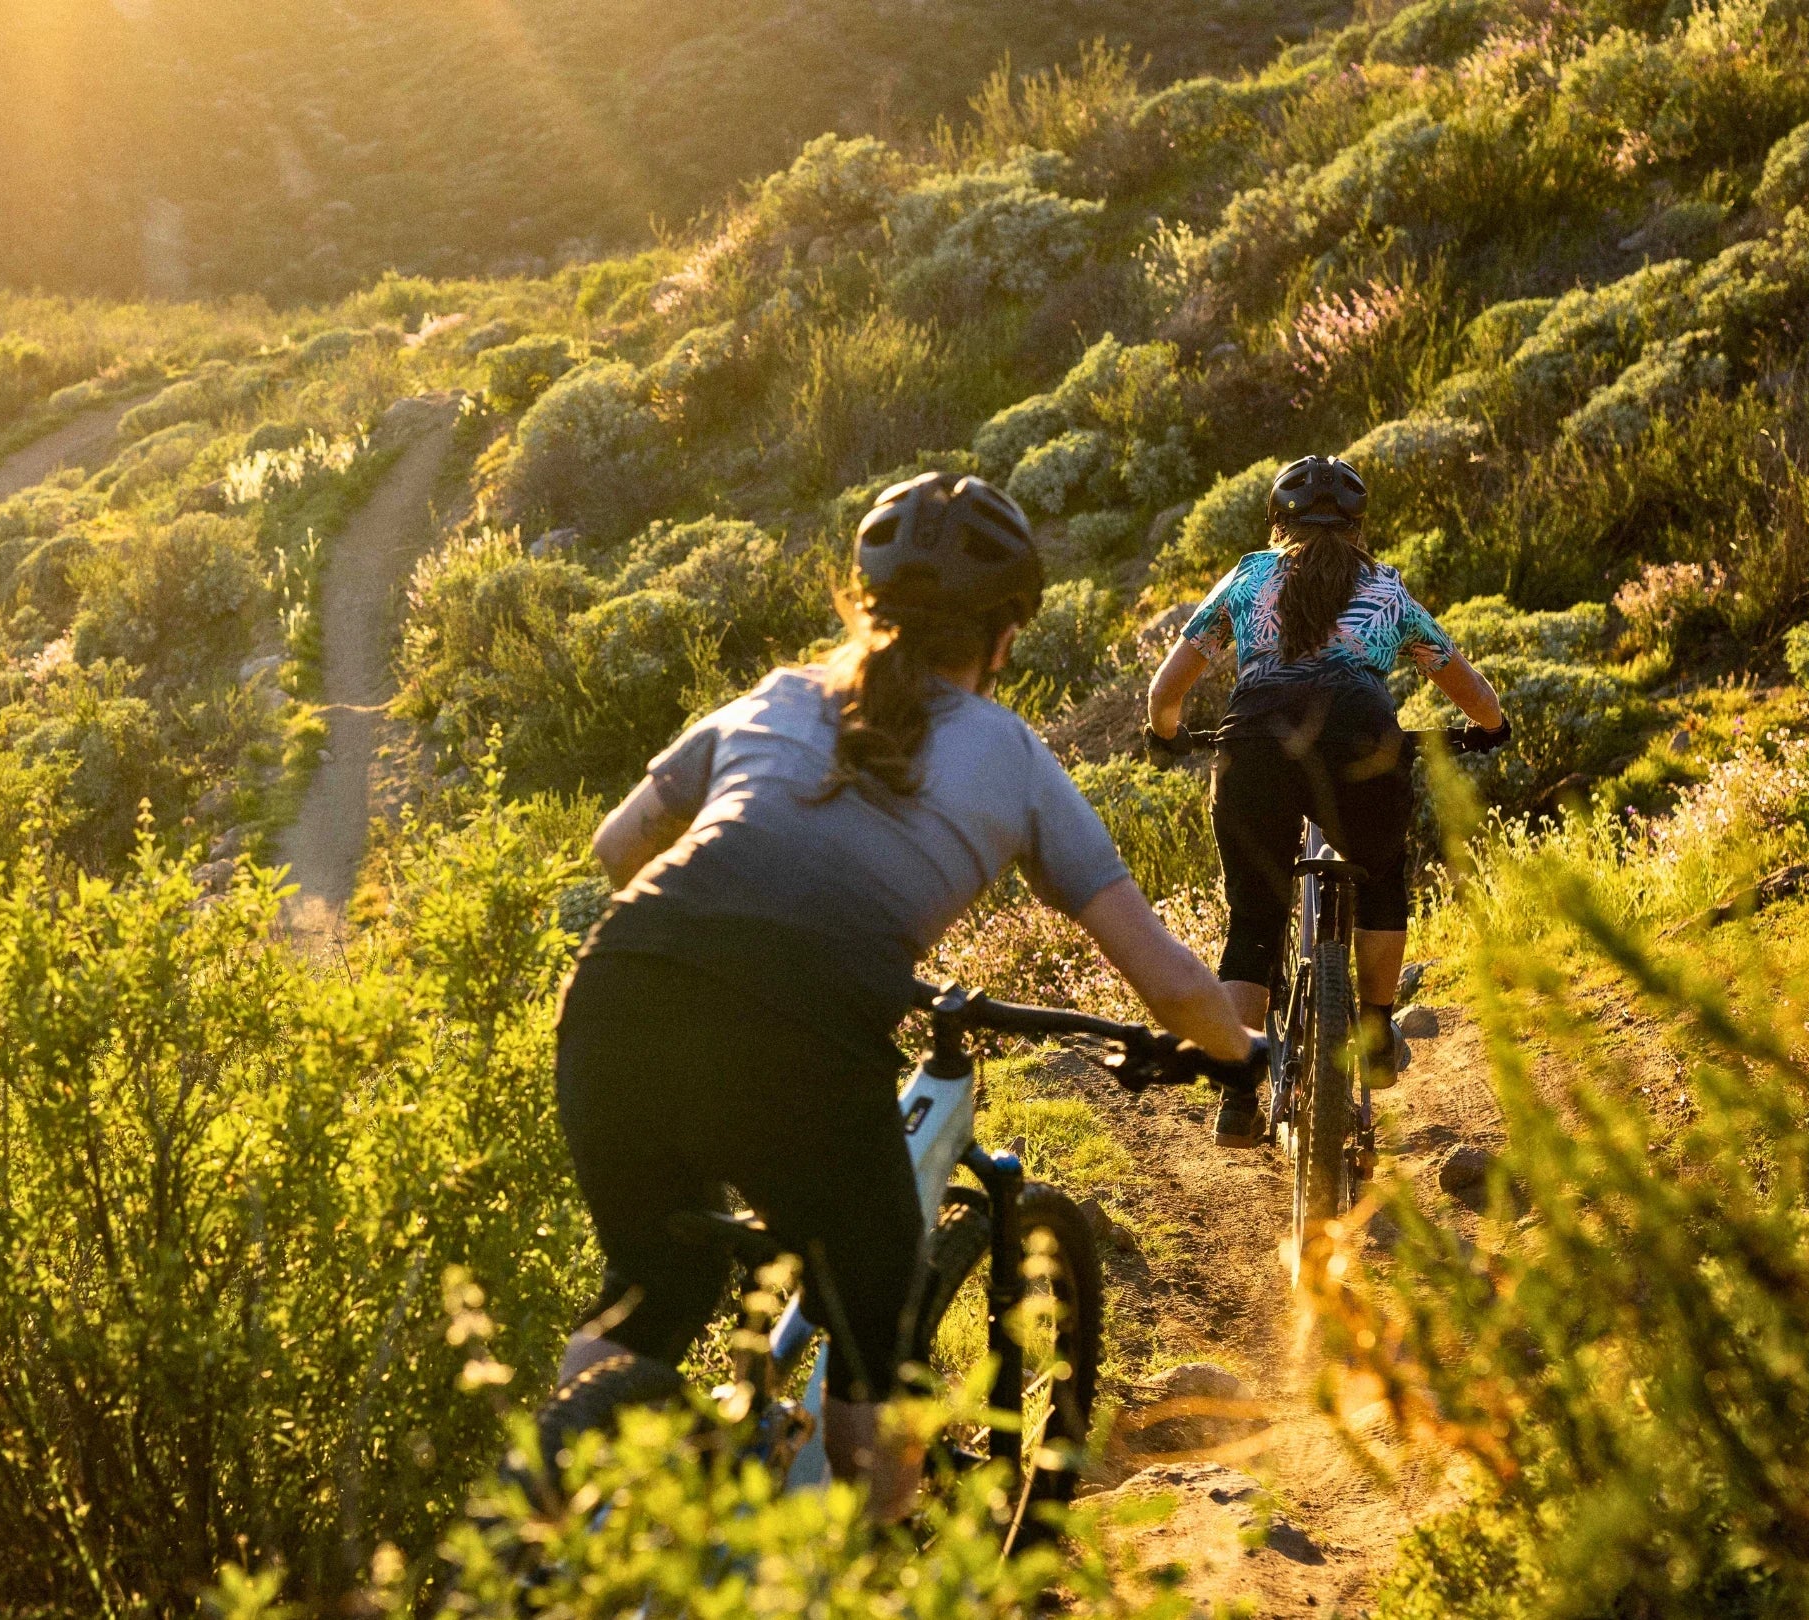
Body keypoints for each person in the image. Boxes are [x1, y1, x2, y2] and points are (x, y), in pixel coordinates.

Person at [546, 472, 1262, 1522]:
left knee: (653, 1282)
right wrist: (1244, 1053)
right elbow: (1163, 976)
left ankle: (550, 1538)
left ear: (865, 602)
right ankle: (872, 1565)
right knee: (877, 1350)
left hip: (616, 995)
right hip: (799, 1036)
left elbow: (617, 848)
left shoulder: (776, 697)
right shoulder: (1013, 758)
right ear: (1006, 634)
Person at [1142, 455, 1508, 1147]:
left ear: (1277, 522)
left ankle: (1237, 1091)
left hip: (1256, 741)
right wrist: (1490, 728)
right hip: (1360, 733)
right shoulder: (1385, 590)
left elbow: (1166, 692)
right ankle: (1372, 1030)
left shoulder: (1249, 576)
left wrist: (1167, 735)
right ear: (1359, 526)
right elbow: (1469, 689)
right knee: (1379, 879)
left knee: (1254, 917)